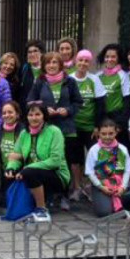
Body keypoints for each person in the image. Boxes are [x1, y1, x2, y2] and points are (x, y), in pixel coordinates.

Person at [27, 51, 83, 210]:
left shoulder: (70, 81)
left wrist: (69, 110)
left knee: (65, 162)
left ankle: (65, 195)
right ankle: (50, 195)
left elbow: (78, 102)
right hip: (46, 128)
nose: (51, 66)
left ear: (60, 65)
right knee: (47, 161)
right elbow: (30, 101)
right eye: (48, 63)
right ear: (44, 65)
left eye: (55, 63)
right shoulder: (40, 82)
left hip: (67, 128)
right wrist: (44, 108)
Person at [5, 103, 69, 218]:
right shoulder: (24, 133)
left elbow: (55, 161)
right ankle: (36, 202)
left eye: (37, 114)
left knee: (30, 173)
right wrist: (11, 167)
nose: (34, 118)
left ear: (44, 115)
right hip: (32, 172)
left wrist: (29, 167)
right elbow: (16, 155)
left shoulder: (54, 131)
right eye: (31, 115)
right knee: (12, 176)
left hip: (56, 174)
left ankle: (42, 209)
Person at [70, 49, 107, 202]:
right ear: (75, 62)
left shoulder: (94, 80)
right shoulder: (69, 79)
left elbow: (100, 104)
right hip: (73, 126)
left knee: (95, 158)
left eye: (86, 61)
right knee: (75, 159)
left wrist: (98, 126)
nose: (83, 63)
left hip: (90, 127)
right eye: (81, 60)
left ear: (89, 63)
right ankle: (77, 188)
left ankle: (94, 188)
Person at [85, 119, 130, 217]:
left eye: (111, 133)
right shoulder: (94, 150)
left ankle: (114, 202)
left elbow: (127, 170)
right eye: (104, 134)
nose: (107, 136)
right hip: (101, 185)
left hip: (119, 185)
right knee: (104, 212)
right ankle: (104, 201)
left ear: (116, 132)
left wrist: (123, 187)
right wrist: (101, 187)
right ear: (98, 133)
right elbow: (90, 172)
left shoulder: (123, 149)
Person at [96, 44, 130, 145]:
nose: (109, 59)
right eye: (107, 56)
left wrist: (121, 124)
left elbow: (127, 101)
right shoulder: (98, 76)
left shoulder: (124, 75)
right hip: (103, 118)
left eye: (113, 57)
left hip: (117, 118)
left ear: (118, 58)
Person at [0, 101, 25, 195]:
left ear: (17, 114)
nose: (7, 115)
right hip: (4, 172)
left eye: (10, 112)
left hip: (20, 171)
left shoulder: (24, 130)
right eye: (4, 113)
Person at [20, 39, 46, 109]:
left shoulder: (47, 69)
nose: (32, 54)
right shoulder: (23, 69)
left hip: (44, 110)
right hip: (27, 110)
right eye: (29, 52)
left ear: (42, 53)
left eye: (35, 51)